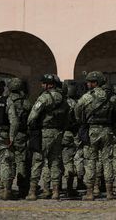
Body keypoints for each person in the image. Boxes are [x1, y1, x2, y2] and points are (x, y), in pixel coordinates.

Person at [76, 71, 116, 201]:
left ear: (95, 83)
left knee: (91, 161)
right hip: (107, 130)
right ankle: (109, 192)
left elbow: (77, 109)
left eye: (90, 82)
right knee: (107, 161)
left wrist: (82, 120)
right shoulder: (111, 97)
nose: (88, 84)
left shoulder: (87, 97)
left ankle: (90, 192)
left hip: (92, 131)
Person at [26, 73, 69, 201]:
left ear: (49, 85)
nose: (42, 85)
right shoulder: (63, 98)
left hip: (44, 133)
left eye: (44, 83)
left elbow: (32, 116)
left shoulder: (44, 98)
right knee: (55, 162)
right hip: (58, 133)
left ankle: (33, 192)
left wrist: (31, 126)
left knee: (38, 161)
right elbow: (67, 117)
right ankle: (55, 191)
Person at [7, 78, 31, 198]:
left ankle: (6, 187)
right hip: (21, 134)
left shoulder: (7, 100)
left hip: (8, 134)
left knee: (7, 162)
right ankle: (22, 187)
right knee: (21, 161)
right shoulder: (25, 101)